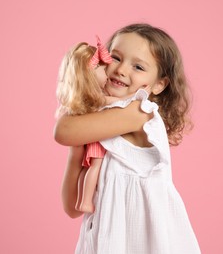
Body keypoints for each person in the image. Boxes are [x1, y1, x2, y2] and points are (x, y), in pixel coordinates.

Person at [55, 23, 201, 253]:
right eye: (115, 57)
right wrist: (77, 152)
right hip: (106, 239)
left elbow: (63, 131)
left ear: (159, 84)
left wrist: (79, 108)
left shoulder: (140, 113)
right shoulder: (98, 124)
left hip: (144, 243)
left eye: (138, 67)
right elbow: (72, 208)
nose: (121, 70)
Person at [56, 37, 131, 213]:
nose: (111, 73)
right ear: (92, 73)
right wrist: (141, 95)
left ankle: (84, 199)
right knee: (95, 166)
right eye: (104, 69)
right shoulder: (98, 99)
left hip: (92, 136)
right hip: (97, 140)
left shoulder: (87, 99)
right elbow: (121, 101)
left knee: (89, 168)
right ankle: (85, 201)